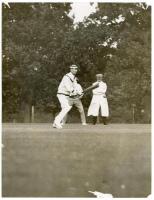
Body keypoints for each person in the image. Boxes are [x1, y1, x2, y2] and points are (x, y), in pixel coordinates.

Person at [53, 65, 86, 129]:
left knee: (66, 108)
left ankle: (55, 122)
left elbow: (75, 87)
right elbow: (69, 88)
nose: (75, 70)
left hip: (65, 95)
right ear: (70, 70)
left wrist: (79, 93)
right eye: (73, 69)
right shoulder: (67, 77)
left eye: (76, 69)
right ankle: (57, 122)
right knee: (66, 107)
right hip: (62, 94)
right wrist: (75, 92)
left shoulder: (73, 78)